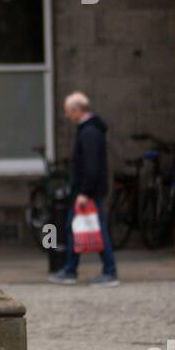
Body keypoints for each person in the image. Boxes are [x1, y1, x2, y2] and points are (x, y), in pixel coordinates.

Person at [49, 91, 119, 286]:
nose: (66, 116)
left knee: (93, 230)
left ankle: (107, 271)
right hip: (88, 190)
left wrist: (84, 192)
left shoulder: (89, 132)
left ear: (77, 110)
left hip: (87, 192)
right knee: (79, 228)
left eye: (67, 111)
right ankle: (72, 269)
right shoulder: (90, 130)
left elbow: (91, 165)